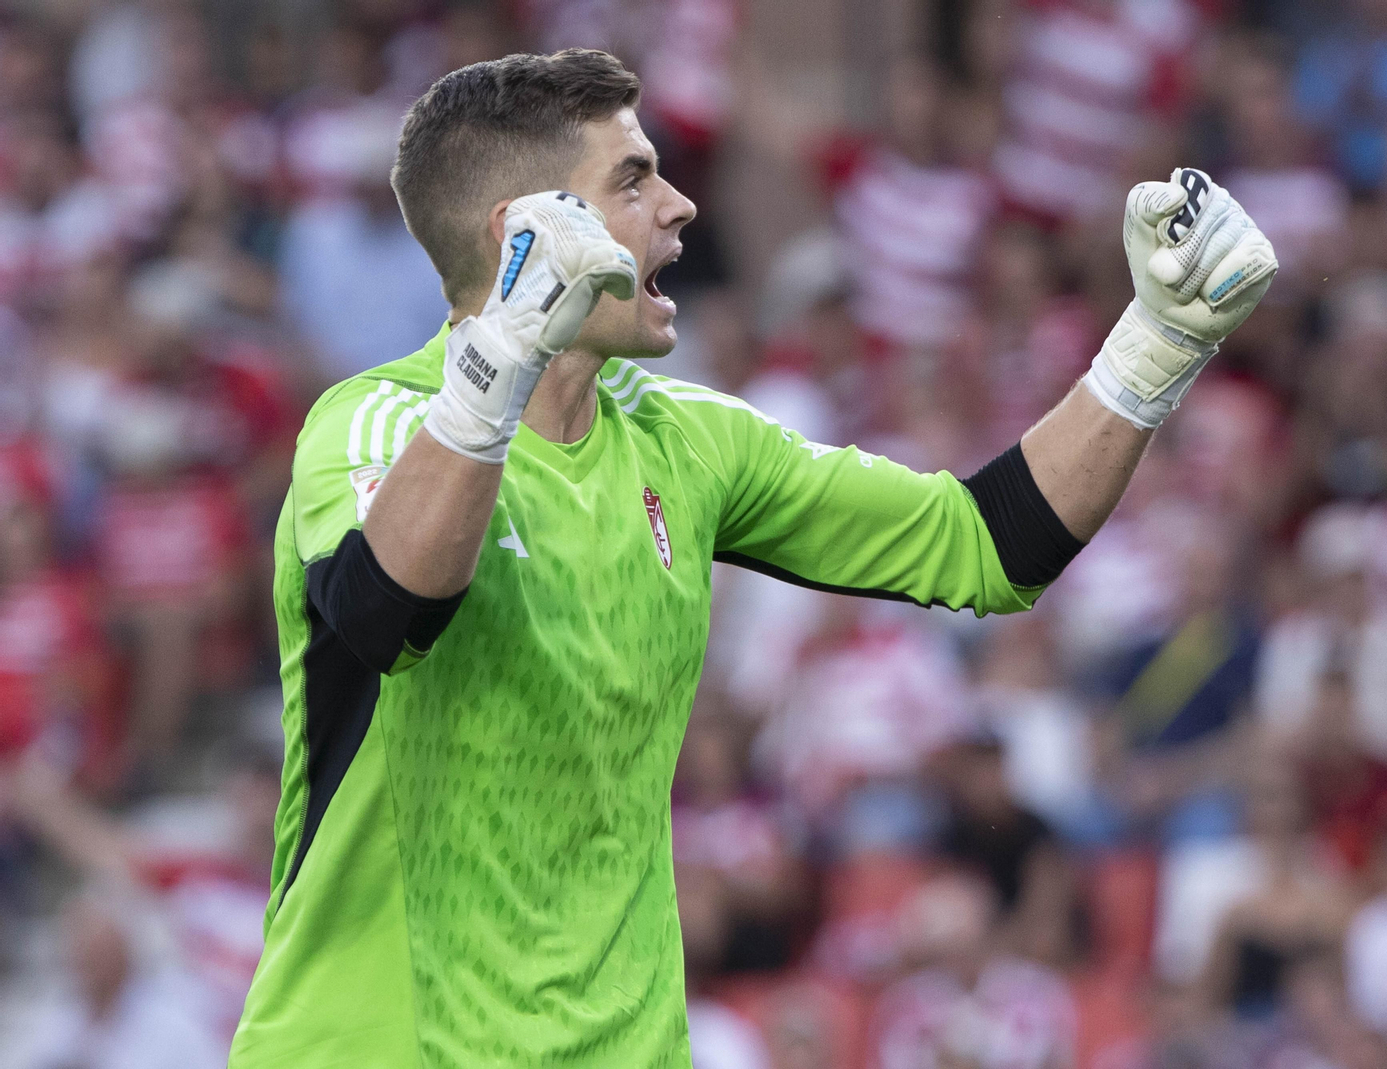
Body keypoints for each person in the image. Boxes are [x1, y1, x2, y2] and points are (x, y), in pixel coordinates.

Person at [227, 48, 1276, 1068]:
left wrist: (1154, 347)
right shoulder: (371, 421)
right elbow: (382, 614)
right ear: (522, 235)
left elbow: (990, 544)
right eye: (634, 179)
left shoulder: (693, 440)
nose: (681, 205)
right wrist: (498, 356)